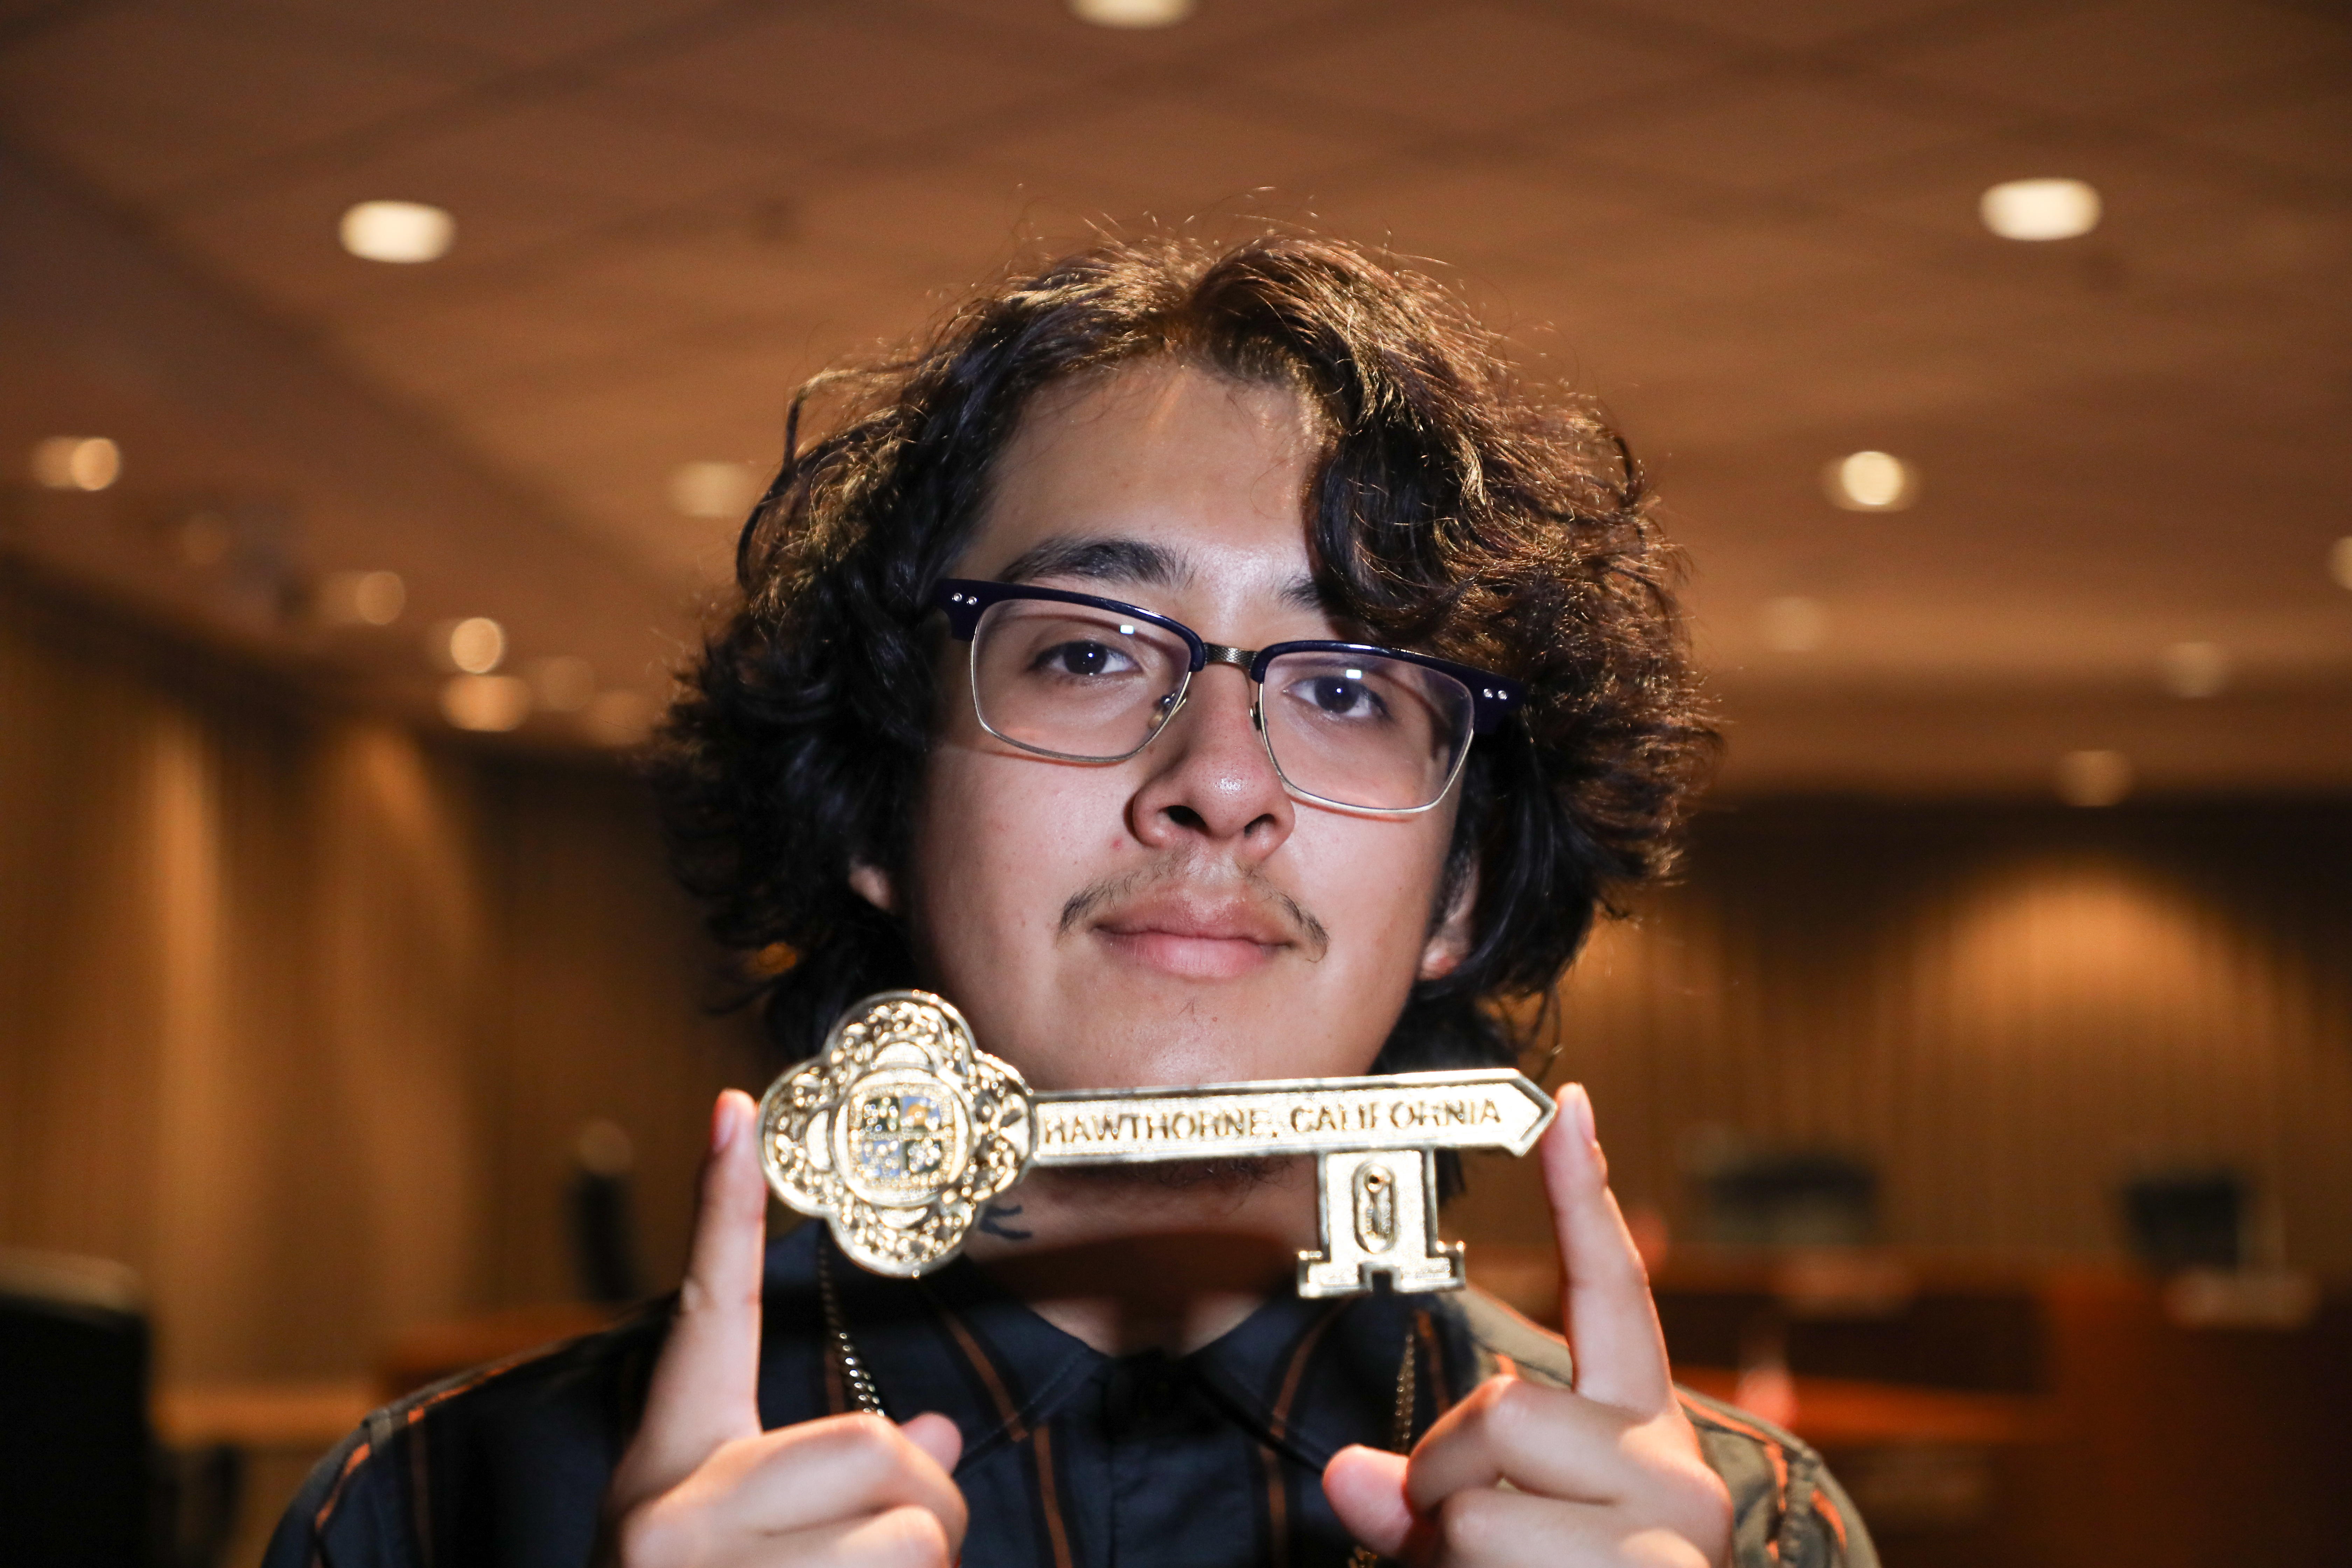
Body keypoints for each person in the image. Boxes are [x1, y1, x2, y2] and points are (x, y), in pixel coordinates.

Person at [267, 235, 1872, 1568]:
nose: (1219, 779)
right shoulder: (434, 1511)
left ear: (1459, 887)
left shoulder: (1744, 1536)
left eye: (1348, 685)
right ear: (881, 804)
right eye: (1090, 650)